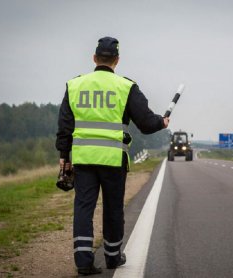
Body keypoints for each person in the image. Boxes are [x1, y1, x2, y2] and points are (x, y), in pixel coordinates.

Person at [56, 36, 169, 275]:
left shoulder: (75, 85)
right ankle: (112, 256)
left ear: (94, 58)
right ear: (117, 61)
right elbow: (147, 123)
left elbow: (65, 125)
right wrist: (162, 121)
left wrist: (64, 156)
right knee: (113, 208)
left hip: (84, 159)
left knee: (84, 207)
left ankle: (84, 262)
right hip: (113, 160)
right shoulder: (126, 87)